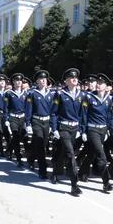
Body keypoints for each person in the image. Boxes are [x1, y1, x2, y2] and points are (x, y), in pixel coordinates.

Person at [51, 68, 84, 196]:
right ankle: (74, 185)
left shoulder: (82, 95)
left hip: (75, 128)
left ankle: (55, 172)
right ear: (66, 81)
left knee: (63, 152)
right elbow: (54, 113)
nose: (74, 79)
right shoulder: (60, 94)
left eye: (76, 77)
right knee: (70, 154)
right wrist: (54, 129)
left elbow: (82, 114)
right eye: (71, 77)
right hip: (63, 127)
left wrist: (81, 129)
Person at [25, 70, 53, 179]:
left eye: (45, 79)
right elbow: (29, 109)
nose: (43, 81)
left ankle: (31, 158)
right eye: (41, 79)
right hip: (36, 121)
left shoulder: (50, 94)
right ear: (37, 81)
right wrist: (28, 124)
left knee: (44, 144)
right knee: (40, 144)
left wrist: (52, 125)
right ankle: (43, 171)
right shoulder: (32, 94)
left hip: (46, 122)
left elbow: (52, 111)